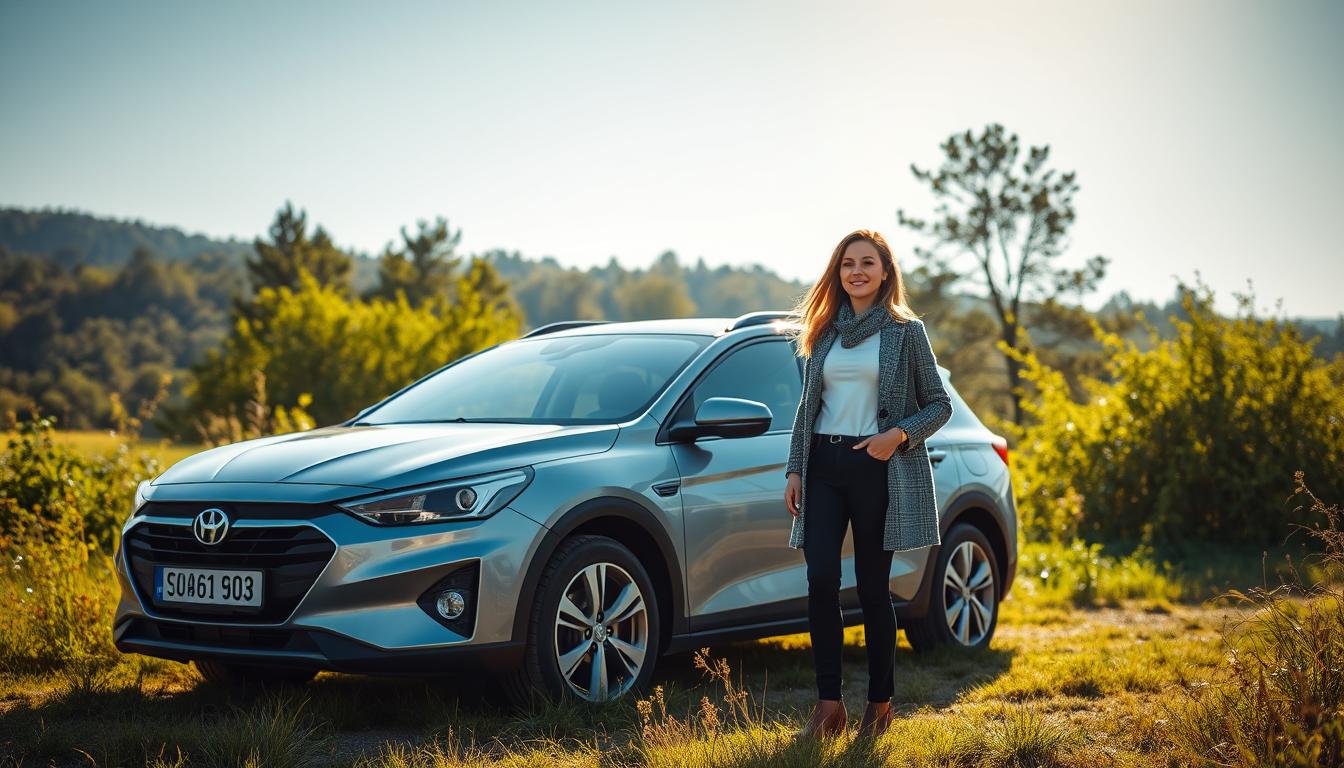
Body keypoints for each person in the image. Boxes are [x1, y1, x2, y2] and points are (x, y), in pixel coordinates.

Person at [782, 229, 952, 740]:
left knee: (874, 589)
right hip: (824, 468)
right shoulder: (823, 331)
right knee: (820, 581)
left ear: (884, 272)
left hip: (878, 468)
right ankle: (828, 706)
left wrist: (897, 435)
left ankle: (878, 706)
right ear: (838, 273)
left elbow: (939, 405)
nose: (856, 271)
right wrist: (795, 467)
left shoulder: (906, 331)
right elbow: (806, 407)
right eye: (847, 264)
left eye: (867, 263)